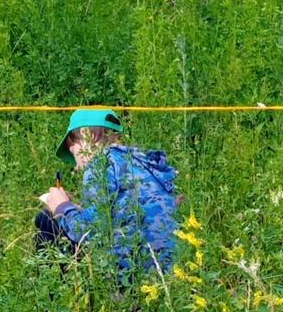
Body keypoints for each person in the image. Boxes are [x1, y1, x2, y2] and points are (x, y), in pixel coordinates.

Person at [34, 109, 177, 277]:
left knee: (46, 218)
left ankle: (53, 296)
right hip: (167, 272)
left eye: (74, 154)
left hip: (128, 278)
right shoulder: (145, 163)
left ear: (87, 135)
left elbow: (88, 232)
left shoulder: (100, 165)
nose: (76, 166)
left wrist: (62, 207)